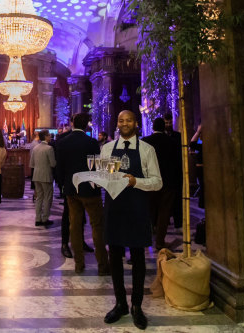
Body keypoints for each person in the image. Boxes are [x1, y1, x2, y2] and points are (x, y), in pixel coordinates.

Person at [101, 110, 162, 330]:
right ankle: (120, 304)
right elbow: (106, 179)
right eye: (120, 120)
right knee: (114, 257)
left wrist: (136, 181)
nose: (124, 123)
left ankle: (137, 306)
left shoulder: (147, 150)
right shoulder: (107, 149)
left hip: (137, 208)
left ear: (136, 123)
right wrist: (97, 180)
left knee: (137, 257)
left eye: (128, 120)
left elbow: (157, 182)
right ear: (117, 124)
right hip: (115, 209)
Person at [56, 113, 110, 276]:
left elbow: (59, 169)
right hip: (89, 189)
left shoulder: (62, 142)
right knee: (97, 226)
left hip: (71, 189)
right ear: (87, 125)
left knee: (75, 226)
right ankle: (102, 265)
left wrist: (63, 186)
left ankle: (79, 264)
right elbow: (96, 166)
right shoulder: (92, 142)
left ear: (72, 123)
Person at [142, 117, 181, 250]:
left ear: (152, 127)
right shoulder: (172, 142)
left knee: (148, 211)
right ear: (164, 127)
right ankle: (159, 242)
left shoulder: (145, 141)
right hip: (168, 182)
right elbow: (177, 163)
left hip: (150, 181)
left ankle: (145, 240)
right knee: (164, 212)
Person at [29, 129, 56, 227]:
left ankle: (38, 219)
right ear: (45, 137)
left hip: (36, 175)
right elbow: (53, 164)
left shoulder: (35, 148)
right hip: (46, 175)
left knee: (39, 197)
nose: (50, 137)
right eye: (49, 135)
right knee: (47, 197)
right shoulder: (49, 148)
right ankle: (45, 218)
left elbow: (31, 164)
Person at [164, 111, 183, 231]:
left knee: (177, 199)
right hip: (165, 172)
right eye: (166, 122)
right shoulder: (162, 137)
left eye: (170, 122)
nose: (168, 124)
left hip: (176, 171)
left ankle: (178, 223)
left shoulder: (178, 136)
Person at [190, 124, 204, 209]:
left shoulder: (204, 144)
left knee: (203, 191)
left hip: (202, 170)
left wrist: (198, 132)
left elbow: (192, 144)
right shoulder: (202, 144)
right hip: (200, 169)